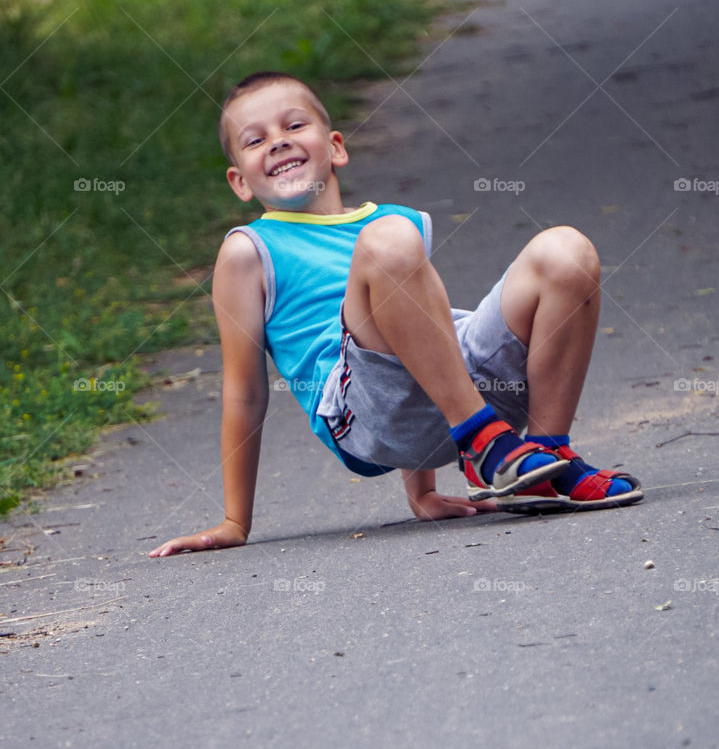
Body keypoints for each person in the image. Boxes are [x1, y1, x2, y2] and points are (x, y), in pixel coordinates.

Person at [149, 71, 642, 557]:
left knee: (566, 251)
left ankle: (547, 459)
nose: (278, 142)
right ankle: (483, 444)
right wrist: (236, 520)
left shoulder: (393, 224)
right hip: (362, 415)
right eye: (255, 139)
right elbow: (245, 391)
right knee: (387, 239)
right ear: (238, 181)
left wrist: (421, 491)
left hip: (467, 396)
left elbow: (422, 335)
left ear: (336, 147)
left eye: (294, 126)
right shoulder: (249, 252)